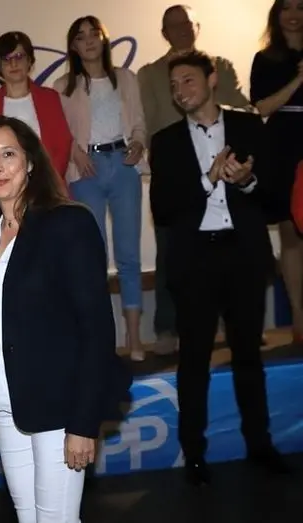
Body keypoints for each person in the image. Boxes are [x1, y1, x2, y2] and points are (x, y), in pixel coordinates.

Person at [0, 115, 130, 522]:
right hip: (7, 405)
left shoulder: (67, 222)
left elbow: (96, 329)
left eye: (8, 154)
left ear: (31, 161)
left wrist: (83, 423)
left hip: (59, 408)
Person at [149, 51, 290, 486]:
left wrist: (246, 181)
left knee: (249, 357)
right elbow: (163, 210)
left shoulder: (249, 127)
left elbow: (275, 200)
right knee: (193, 361)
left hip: (243, 255)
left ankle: (260, 445)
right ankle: (193, 454)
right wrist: (207, 180)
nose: (180, 91)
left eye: (188, 81)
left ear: (212, 79)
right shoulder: (166, 141)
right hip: (195, 261)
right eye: (174, 85)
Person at [137, 5, 252, 355]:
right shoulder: (149, 74)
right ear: (164, 33)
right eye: (173, 26)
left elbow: (240, 107)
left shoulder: (219, 66)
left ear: (196, 27)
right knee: (171, 253)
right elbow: (148, 121)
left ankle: (229, 324)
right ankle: (167, 328)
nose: (182, 30)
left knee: (230, 253)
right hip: (176, 172)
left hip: (225, 166)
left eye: (186, 23)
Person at [53, 15, 148, 361]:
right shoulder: (63, 86)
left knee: (129, 256)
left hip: (123, 164)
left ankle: (134, 339)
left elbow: (139, 123)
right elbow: (60, 130)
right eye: (81, 37)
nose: (89, 41)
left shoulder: (126, 78)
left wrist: (138, 143)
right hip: (86, 169)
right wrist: (75, 152)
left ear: (105, 40)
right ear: (73, 46)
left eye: (95, 34)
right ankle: (102, 341)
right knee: (93, 257)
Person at [250, 0, 303, 343]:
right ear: (276, 14)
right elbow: (263, 106)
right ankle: (299, 316)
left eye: (300, 7)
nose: (294, 15)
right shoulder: (266, 58)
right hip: (284, 147)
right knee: (291, 234)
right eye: (287, 8)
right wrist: (299, 79)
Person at [0, 31, 72, 183]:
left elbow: (63, 143)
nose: (13, 64)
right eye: (6, 59)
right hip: (3, 185)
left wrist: (49, 181)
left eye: (19, 56)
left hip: (46, 185)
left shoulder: (50, 98)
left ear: (29, 61)